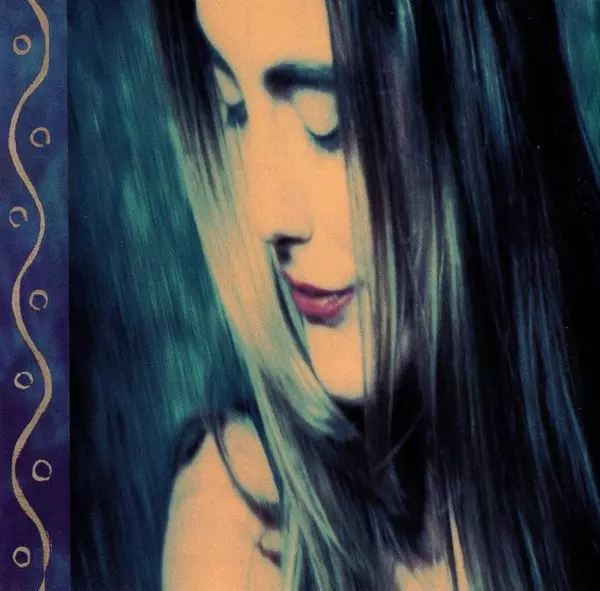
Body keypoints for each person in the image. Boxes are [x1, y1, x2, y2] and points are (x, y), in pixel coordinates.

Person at [152, 0, 600, 588]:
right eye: (233, 108)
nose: (265, 215)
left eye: (325, 120)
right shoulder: (239, 532)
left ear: (477, 99)